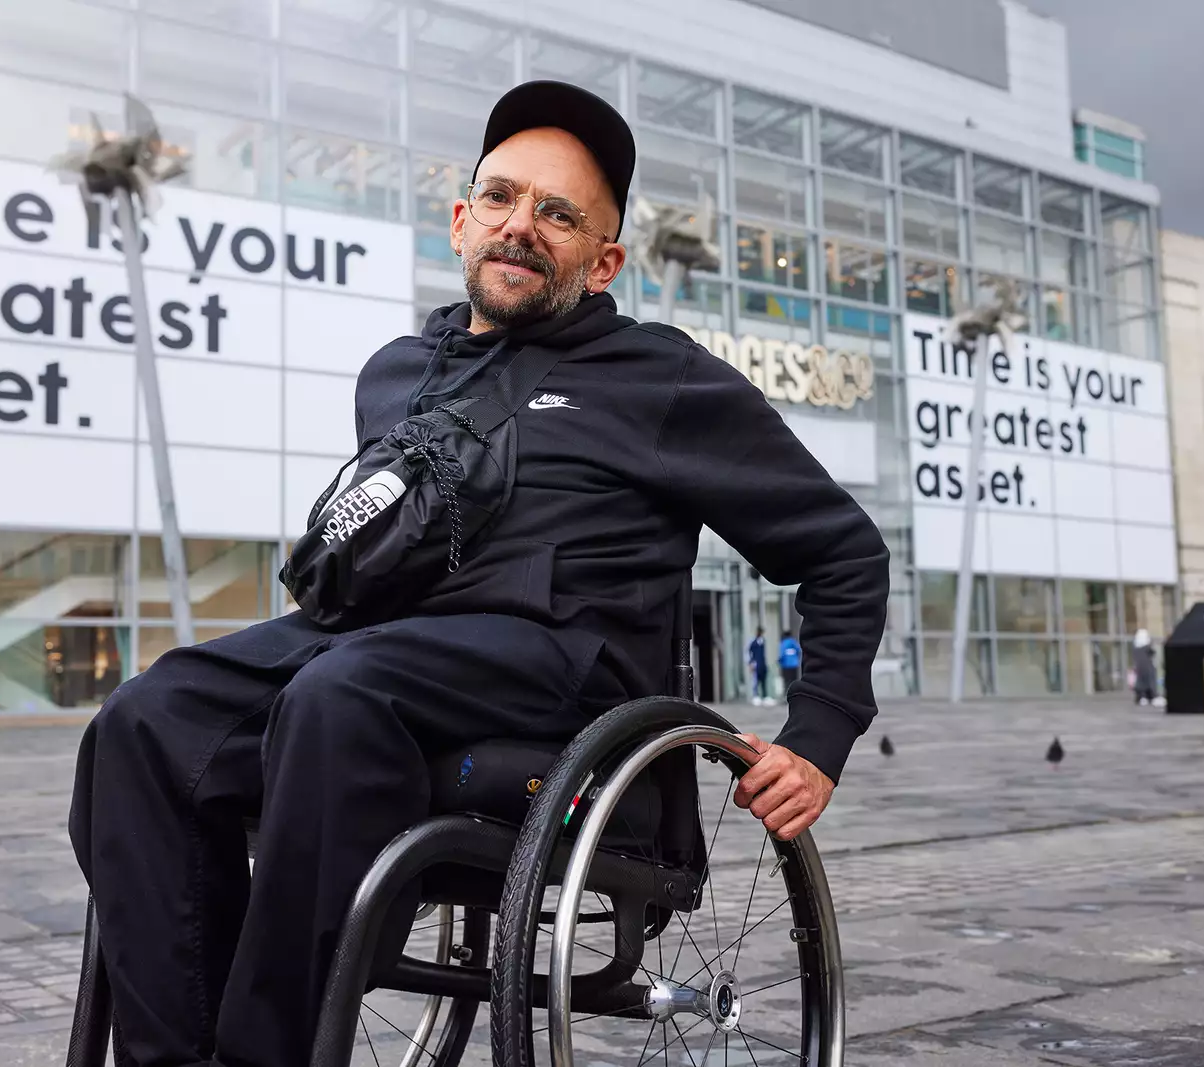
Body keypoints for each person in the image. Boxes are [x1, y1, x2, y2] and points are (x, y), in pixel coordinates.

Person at [68, 80, 889, 1067]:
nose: (520, 225)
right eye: (500, 198)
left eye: (558, 213)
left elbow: (842, 550)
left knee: (341, 697)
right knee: (146, 718)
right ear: (461, 221)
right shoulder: (397, 372)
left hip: (559, 670)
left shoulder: (661, 378)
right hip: (380, 644)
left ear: (603, 260)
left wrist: (821, 731)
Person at [1130, 628, 1159, 705]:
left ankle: (1142, 697)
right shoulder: (1146, 648)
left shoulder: (1136, 649)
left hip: (1140, 669)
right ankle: (1149, 696)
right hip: (1147, 669)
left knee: (1141, 682)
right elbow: (1152, 653)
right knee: (1149, 681)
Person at [747, 626, 771, 706]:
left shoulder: (763, 641)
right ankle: (756, 696)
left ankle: (764, 696)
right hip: (756, 663)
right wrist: (751, 663)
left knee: (763, 680)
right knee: (756, 681)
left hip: (762, 664)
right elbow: (749, 653)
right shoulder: (753, 643)